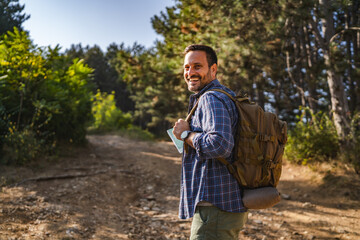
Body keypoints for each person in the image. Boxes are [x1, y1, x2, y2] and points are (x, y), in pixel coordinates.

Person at [172, 44, 248, 240]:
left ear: (213, 69)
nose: (190, 72)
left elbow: (220, 144)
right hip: (221, 206)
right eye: (187, 67)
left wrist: (185, 135)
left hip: (215, 207)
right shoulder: (222, 96)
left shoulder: (211, 98)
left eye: (197, 66)